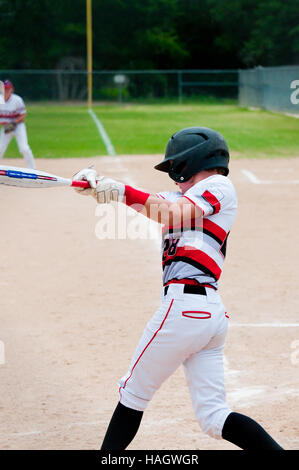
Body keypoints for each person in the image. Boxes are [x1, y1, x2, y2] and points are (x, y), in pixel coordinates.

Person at [73, 127, 284, 450]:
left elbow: (170, 211)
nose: (174, 178)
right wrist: (102, 185)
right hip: (207, 315)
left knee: (133, 393)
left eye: (176, 169)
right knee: (214, 416)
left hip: (185, 309)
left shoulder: (218, 185)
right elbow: (158, 204)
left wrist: (117, 191)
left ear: (189, 163)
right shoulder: (188, 198)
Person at [0, 79, 36, 169]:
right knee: (0, 148)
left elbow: (23, 114)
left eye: (8, 88)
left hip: (18, 126)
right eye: (5, 88)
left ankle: (32, 169)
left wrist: (14, 122)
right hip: (6, 128)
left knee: (24, 148)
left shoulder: (17, 100)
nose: (6, 90)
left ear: (12, 89)